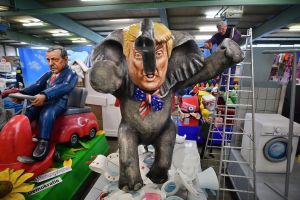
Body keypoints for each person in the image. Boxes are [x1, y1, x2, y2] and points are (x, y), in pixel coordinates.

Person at [16, 46, 78, 160]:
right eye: (48, 60)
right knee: (28, 111)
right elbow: (37, 85)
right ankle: (16, 135)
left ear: (65, 60)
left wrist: (45, 95)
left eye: (55, 59)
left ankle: (43, 142)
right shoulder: (48, 74)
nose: (51, 63)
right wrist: (22, 93)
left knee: (47, 113)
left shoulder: (71, 74)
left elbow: (64, 86)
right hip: (45, 101)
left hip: (59, 102)